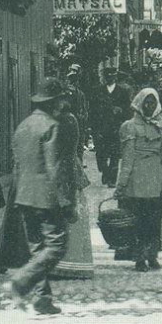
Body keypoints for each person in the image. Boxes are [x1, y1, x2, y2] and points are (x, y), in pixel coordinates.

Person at [2, 79, 76, 315]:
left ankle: (42, 300)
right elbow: (55, 169)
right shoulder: (53, 126)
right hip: (46, 198)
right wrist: (66, 203)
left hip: (23, 195)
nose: (64, 103)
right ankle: (20, 282)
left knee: (37, 248)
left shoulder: (23, 125)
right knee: (57, 245)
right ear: (54, 101)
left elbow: (17, 164)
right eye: (62, 98)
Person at [116, 88, 162, 271]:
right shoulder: (129, 126)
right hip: (137, 178)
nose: (149, 106)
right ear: (139, 103)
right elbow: (127, 158)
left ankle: (152, 255)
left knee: (155, 218)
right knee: (138, 219)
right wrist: (121, 184)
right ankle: (139, 257)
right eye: (146, 102)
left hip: (157, 175)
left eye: (153, 102)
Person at [52, 92, 94, 280]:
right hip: (67, 167)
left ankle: (68, 263)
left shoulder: (64, 120)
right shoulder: (67, 119)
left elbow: (66, 150)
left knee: (67, 214)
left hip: (65, 169)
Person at [91, 66, 133, 186]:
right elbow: (92, 110)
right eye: (108, 76)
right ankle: (105, 171)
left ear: (115, 77)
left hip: (116, 127)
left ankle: (112, 179)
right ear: (105, 77)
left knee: (115, 154)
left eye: (113, 76)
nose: (110, 78)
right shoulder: (97, 90)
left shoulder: (123, 91)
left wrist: (121, 113)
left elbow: (128, 110)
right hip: (101, 127)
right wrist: (92, 127)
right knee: (101, 153)